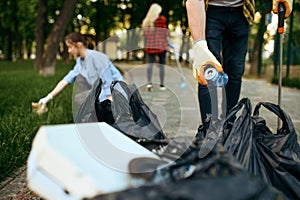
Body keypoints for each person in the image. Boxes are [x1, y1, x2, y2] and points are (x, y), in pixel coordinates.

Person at [185, 0, 255, 124]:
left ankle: (229, 122)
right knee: (207, 68)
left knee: (236, 69)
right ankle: (208, 127)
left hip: (242, 12)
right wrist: (200, 46)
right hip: (210, 11)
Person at [38, 32, 123, 123]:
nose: (69, 51)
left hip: (116, 93)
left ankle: (111, 117)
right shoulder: (80, 61)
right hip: (100, 92)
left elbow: (109, 83)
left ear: (78, 45)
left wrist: (109, 108)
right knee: (79, 97)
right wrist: (48, 98)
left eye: (70, 47)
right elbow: (66, 80)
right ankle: (95, 114)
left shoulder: (97, 57)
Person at [142, 3, 169, 91]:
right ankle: (161, 85)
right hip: (161, 45)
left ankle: (149, 84)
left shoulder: (146, 22)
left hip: (150, 45)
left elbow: (145, 35)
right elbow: (165, 33)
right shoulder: (161, 19)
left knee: (150, 65)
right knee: (161, 66)